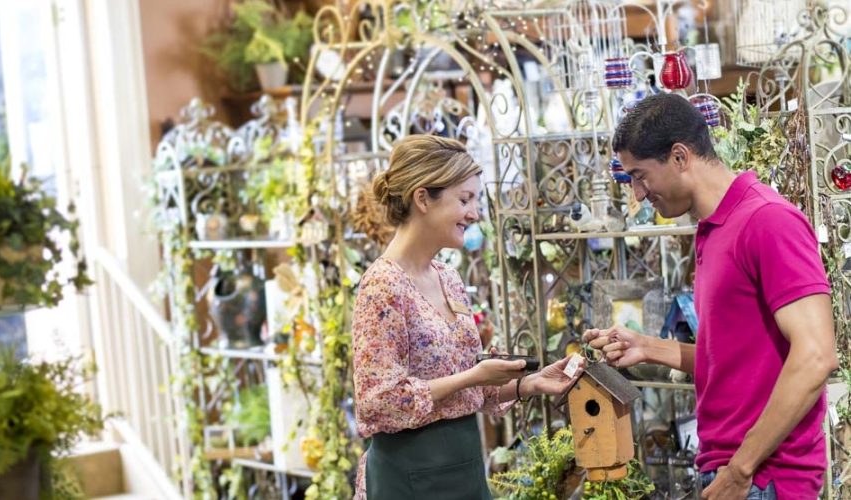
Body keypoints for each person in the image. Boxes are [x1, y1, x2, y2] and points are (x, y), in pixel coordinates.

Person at [583, 93, 838, 499]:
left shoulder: (767, 221)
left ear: (680, 157)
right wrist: (647, 348)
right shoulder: (715, 229)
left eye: (640, 175)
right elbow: (735, 362)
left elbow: (817, 355)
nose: (638, 193)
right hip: (738, 471)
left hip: (763, 478)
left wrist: (741, 469)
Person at [352, 135, 583, 500]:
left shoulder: (449, 278)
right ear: (423, 198)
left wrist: (530, 383)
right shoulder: (382, 286)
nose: (474, 214)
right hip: (410, 477)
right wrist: (473, 376)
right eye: (465, 199)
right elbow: (378, 401)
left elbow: (469, 390)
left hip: (464, 471)